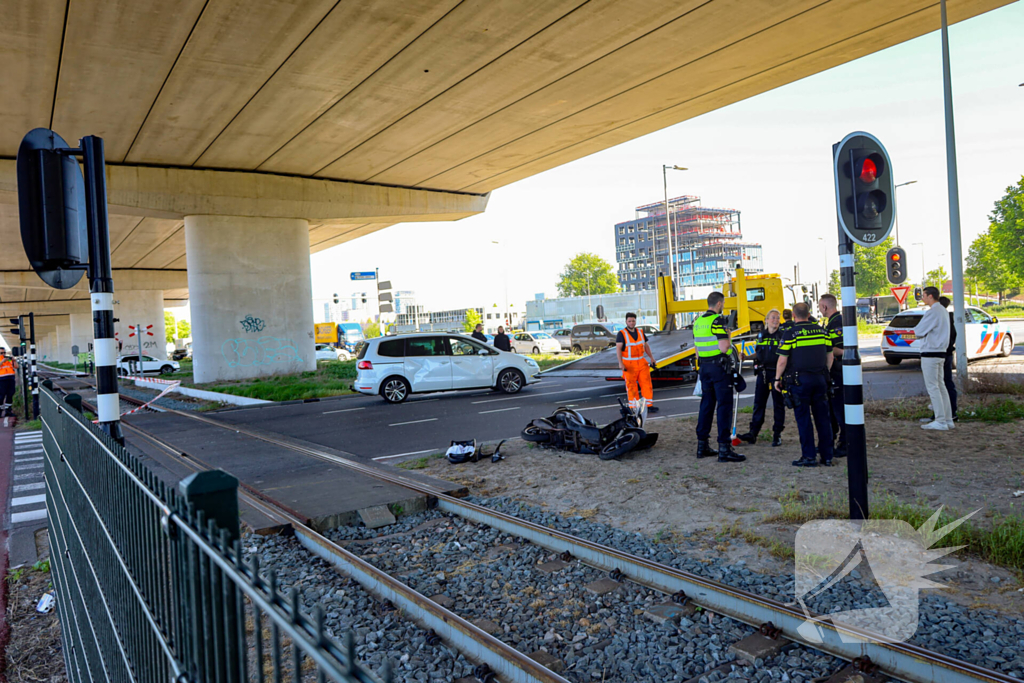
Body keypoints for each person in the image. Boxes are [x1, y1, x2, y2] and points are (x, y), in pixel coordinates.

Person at [776, 303, 834, 467]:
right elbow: (830, 356)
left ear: (793, 315)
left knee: (804, 419)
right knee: (823, 418)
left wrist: (776, 379)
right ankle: (827, 456)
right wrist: (825, 373)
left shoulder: (791, 333)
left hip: (800, 381)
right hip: (820, 380)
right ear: (809, 314)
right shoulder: (822, 331)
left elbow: (782, 360)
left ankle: (809, 456)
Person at [694, 292, 745, 462]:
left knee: (706, 405)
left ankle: (702, 445)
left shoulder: (698, 322)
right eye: (722, 304)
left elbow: (697, 349)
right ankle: (724, 448)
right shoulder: (718, 320)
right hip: (719, 368)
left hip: (705, 367)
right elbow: (724, 347)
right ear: (719, 304)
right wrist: (731, 346)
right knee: (724, 406)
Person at [737, 308, 785, 447]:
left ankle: (777, 434)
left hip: (777, 374)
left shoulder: (783, 335)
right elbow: (758, 354)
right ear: (766, 320)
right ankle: (753, 433)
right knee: (759, 403)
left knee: (778, 405)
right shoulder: (761, 335)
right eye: (773, 317)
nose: (775, 320)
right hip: (763, 373)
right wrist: (746, 357)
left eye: (778, 317)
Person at [915, 287, 953, 431]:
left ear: (930, 296)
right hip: (941, 352)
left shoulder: (933, 312)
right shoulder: (943, 310)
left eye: (923, 295)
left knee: (933, 387)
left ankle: (940, 420)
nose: (922, 298)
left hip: (930, 352)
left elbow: (918, 331)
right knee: (941, 386)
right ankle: (948, 419)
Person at [817, 293, 846, 457]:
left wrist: (825, 347)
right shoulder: (834, 322)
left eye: (821, 306)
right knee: (835, 409)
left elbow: (840, 348)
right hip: (837, 370)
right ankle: (837, 440)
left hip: (839, 370)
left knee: (840, 408)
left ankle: (844, 442)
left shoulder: (836, 323)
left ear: (825, 307)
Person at [616, 312, 656, 416]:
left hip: (642, 362)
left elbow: (646, 346)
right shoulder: (621, 334)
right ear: (626, 322)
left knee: (646, 384)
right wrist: (620, 363)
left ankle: (648, 406)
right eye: (629, 321)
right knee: (631, 386)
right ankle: (634, 407)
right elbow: (618, 349)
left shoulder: (640, 332)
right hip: (629, 363)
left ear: (635, 321)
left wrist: (651, 358)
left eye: (633, 320)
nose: (631, 322)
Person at [939, 296, 958, 422]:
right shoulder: (949, 318)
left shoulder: (941, 318)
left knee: (940, 384)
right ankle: (951, 412)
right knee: (946, 382)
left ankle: (946, 413)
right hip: (948, 353)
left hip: (941, 354)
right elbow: (954, 335)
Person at [0, 347, 16, 418]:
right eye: (1, 353)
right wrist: (3, 361)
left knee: (10, 394)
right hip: (2, 379)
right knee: (1, 396)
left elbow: (16, 367)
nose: (3, 354)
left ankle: (8, 411)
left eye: (4, 353)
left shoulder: (9, 359)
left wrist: (14, 361)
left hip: (11, 378)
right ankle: (0, 412)